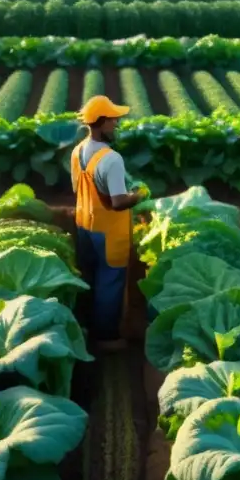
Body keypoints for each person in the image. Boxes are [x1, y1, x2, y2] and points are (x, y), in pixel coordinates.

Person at [71, 95, 147, 350]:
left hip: (84, 224)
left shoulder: (78, 150)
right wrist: (139, 194)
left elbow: (77, 186)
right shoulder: (111, 159)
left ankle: (83, 326)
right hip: (109, 231)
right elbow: (118, 202)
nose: (116, 123)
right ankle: (105, 338)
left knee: (89, 276)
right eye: (113, 119)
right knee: (110, 282)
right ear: (100, 122)